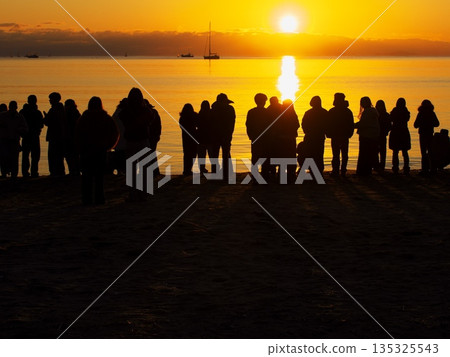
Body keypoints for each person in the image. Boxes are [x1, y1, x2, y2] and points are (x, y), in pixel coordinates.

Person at [76, 96, 119, 205]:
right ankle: (99, 199)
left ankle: (87, 199)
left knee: (87, 177)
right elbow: (115, 133)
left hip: (87, 151)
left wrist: (80, 148)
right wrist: (108, 146)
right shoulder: (106, 118)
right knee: (99, 178)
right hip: (100, 151)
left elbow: (77, 135)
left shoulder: (84, 118)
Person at [326, 93, 354, 176]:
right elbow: (351, 124)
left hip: (336, 135)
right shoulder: (348, 111)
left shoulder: (332, 111)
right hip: (344, 135)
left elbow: (328, 124)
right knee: (344, 154)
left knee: (336, 154)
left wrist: (328, 133)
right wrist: (349, 134)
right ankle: (342, 170)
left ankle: (336, 170)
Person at [210, 93, 236, 179]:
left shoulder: (213, 110)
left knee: (215, 155)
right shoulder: (230, 109)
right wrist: (229, 134)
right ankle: (226, 173)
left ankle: (215, 172)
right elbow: (231, 124)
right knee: (225, 154)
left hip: (215, 135)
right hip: (225, 135)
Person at [246, 93, 271, 178]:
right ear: (264, 101)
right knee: (265, 158)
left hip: (255, 138)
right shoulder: (267, 112)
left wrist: (251, 136)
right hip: (265, 139)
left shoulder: (251, 112)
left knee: (255, 158)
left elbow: (248, 125)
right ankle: (265, 176)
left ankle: (255, 177)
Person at [0, 101, 28, 178]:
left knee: (14, 159)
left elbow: (25, 128)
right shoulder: (2, 116)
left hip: (14, 140)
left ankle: (13, 175)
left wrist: (20, 129)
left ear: (16, 107)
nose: (13, 108)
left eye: (14, 106)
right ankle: (4, 174)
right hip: (4, 140)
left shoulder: (19, 117)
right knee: (4, 158)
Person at [301, 96, 328, 174]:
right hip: (319, 136)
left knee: (310, 153)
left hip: (310, 136)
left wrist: (307, 132)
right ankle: (319, 170)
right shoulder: (324, 112)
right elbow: (328, 124)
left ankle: (310, 169)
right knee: (319, 154)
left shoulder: (308, 112)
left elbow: (304, 124)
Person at [276, 99, 300, 183]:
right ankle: (291, 174)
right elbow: (297, 125)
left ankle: (281, 175)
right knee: (291, 156)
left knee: (282, 156)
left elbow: (277, 125)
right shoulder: (293, 114)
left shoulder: (280, 114)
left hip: (282, 139)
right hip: (291, 138)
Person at [355, 97, 380, 176]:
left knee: (363, 154)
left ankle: (362, 171)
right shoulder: (373, 111)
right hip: (373, 135)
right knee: (369, 154)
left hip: (366, 136)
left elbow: (363, 124)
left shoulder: (367, 112)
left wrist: (352, 125)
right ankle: (367, 171)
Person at [44, 92, 67, 176]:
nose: (50, 101)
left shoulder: (54, 109)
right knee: (59, 156)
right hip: (60, 136)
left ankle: (55, 172)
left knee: (53, 156)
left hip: (55, 136)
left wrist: (46, 118)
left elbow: (49, 122)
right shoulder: (62, 109)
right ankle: (60, 171)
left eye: (51, 99)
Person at [20, 95, 44, 177]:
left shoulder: (23, 112)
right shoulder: (37, 112)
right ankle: (33, 172)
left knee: (27, 155)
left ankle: (26, 172)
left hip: (27, 136)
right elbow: (41, 124)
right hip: (32, 136)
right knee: (34, 156)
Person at [414, 100, 440, 175]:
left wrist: (422, 123)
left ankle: (424, 170)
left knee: (423, 153)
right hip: (429, 134)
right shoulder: (432, 113)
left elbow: (415, 125)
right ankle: (433, 169)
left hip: (422, 134)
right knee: (431, 152)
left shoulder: (420, 113)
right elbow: (437, 124)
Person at [389, 98, 411, 175]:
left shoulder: (394, 111)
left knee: (395, 152)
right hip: (404, 132)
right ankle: (406, 168)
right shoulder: (406, 111)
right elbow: (407, 119)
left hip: (395, 132)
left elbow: (390, 119)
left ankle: (395, 168)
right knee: (405, 152)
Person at [179, 104, 198, 175]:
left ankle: (186, 170)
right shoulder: (194, 116)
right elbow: (198, 124)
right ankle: (188, 169)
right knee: (193, 153)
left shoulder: (182, 118)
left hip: (185, 138)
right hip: (193, 137)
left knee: (187, 154)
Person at [144, 99, 162, 175]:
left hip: (151, 137)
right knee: (152, 153)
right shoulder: (154, 112)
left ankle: (154, 171)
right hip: (153, 136)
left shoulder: (150, 113)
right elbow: (159, 125)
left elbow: (158, 125)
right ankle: (155, 171)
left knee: (150, 154)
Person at [111, 98, 128, 174]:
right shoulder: (125, 114)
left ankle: (120, 172)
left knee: (120, 160)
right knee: (124, 161)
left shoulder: (115, 115)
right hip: (125, 142)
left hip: (118, 142)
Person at [64, 99, 81, 176]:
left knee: (70, 155)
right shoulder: (76, 112)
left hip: (70, 137)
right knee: (74, 156)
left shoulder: (68, 113)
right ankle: (75, 171)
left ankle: (73, 171)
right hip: (75, 137)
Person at [375, 100, 391, 172]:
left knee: (376, 151)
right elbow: (389, 126)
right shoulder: (386, 115)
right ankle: (381, 166)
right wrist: (386, 131)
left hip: (376, 135)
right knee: (382, 152)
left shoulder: (375, 114)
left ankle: (377, 166)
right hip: (382, 135)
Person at [197, 100, 212, 173]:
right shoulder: (211, 114)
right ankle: (214, 168)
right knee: (212, 155)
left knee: (201, 155)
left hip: (201, 138)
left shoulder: (199, 115)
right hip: (209, 138)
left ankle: (202, 169)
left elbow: (197, 125)